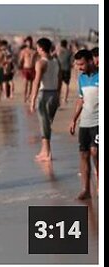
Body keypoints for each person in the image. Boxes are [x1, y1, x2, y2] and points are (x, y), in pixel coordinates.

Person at [69, 49, 98, 200]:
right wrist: (74, 119)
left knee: (96, 152)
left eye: (81, 64)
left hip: (99, 122)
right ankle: (86, 189)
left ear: (90, 61)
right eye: (77, 65)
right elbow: (81, 99)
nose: (79, 67)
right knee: (84, 154)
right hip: (85, 122)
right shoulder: (81, 78)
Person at [29, 38, 61, 162]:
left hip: (44, 95)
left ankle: (47, 153)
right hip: (54, 94)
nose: (36, 50)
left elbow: (36, 82)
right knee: (47, 124)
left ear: (41, 49)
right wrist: (58, 95)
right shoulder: (56, 61)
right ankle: (44, 150)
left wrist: (32, 99)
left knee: (44, 124)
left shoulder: (41, 62)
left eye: (37, 48)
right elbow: (59, 79)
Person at [19, 36, 37, 102]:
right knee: (25, 83)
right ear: (26, 43)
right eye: (28, 42)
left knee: (31, 84)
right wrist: (20, 67)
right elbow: (21, 60)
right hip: (26, 68)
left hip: (32, 68)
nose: (29, 43)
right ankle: (25, 96)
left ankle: (29, 96)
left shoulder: (34, 51)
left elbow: (37, 59)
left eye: (30, 42)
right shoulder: (23, 51)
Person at [56, 40, 73, 104]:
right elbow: (72, 62)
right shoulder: (69, 52)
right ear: (66, 44)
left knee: (59, 85)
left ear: (61, 44)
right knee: (66, 85)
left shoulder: (58, 51)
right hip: (67, 69)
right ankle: (65, 99)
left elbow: (54, 58)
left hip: (59, 69)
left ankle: (58, 99)